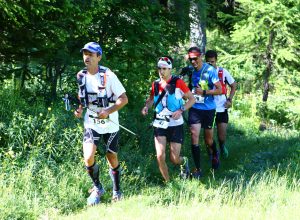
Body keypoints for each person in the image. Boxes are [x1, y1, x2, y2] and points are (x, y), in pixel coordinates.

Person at [74, 42, 128, 205]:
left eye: (91, 54)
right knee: (88, 157)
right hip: (91, 122)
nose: (87, 57)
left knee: (111, 156)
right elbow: (82, 97)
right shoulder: (80, 75)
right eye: (85, 54)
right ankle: (98, 188)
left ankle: (117, 191)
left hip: (110, 123)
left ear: (99, 57)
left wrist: (108, 111)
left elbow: (124, 99)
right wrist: (79, 110)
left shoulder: (109, 75)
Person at [141, 56, 195, 182]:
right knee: (160, 156)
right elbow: (150, 99)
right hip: (160, 123)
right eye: (159, 68)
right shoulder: (155, 84)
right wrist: (146, 107)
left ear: (170, 69)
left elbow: (192, 99)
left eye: (164, 68)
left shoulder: (178, 83)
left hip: (175, 124)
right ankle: (169, 183)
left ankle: (184, 162)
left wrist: (181, 109)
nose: (161, 71)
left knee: (174, 158)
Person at [187, 47, 222, 178]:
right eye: (191, 59)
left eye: (195, 59)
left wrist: (205, 92)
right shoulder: (191, 71)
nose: (193, 62)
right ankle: (197, 169)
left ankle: (215, 154)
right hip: (195, 108)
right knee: (194, 135)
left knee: (208, 140)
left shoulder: (210, 70)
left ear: (200, 57)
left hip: (209, 109)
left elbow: (220, 90)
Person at [205, 50, 237, 158]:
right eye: (208, 62)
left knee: (221, 136)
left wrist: (230, 99)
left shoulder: (223, 72)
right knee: (208, 136)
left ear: (216, 61)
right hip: (208, 108)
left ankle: (222, 146)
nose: (211, 64)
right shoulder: (202, 73)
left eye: (212, 62)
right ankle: (212, 156)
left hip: (222, 107)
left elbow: (233, 85)